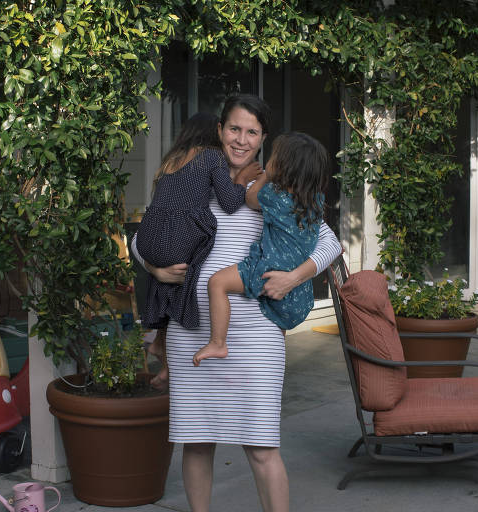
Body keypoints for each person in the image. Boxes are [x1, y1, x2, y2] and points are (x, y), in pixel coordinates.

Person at [132, 94, 341, 512]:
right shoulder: (193, 174)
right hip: (192, 334)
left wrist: (293, 277)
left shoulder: (273, 186)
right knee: (196, 442)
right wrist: (154, 270)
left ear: (263, 138)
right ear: (220, 130)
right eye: (234, 129)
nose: (241, 139)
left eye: (252, 132)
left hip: (256, 334)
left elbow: (329, 242)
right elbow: (141, 238)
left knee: (261, 446)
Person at [135, 112, 260, 386]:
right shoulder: (211, 157)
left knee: (173, 277)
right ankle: (162, 345)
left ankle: (159, 343)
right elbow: (228, 202)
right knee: (193, 262)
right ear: (215, 134)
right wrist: (243, 179)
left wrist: (153, 267)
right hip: (175, 239)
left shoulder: (171, 161)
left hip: (149, 236)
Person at [194, 132, 328, 365]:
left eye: (274, 157)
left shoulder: (274, 197)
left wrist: (265, 177)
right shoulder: (315, 201)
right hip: (301, 297)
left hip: (268, 270)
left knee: (217, 283)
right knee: (277, 330)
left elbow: (250, 198)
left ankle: (217, 342)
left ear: (282, 167)